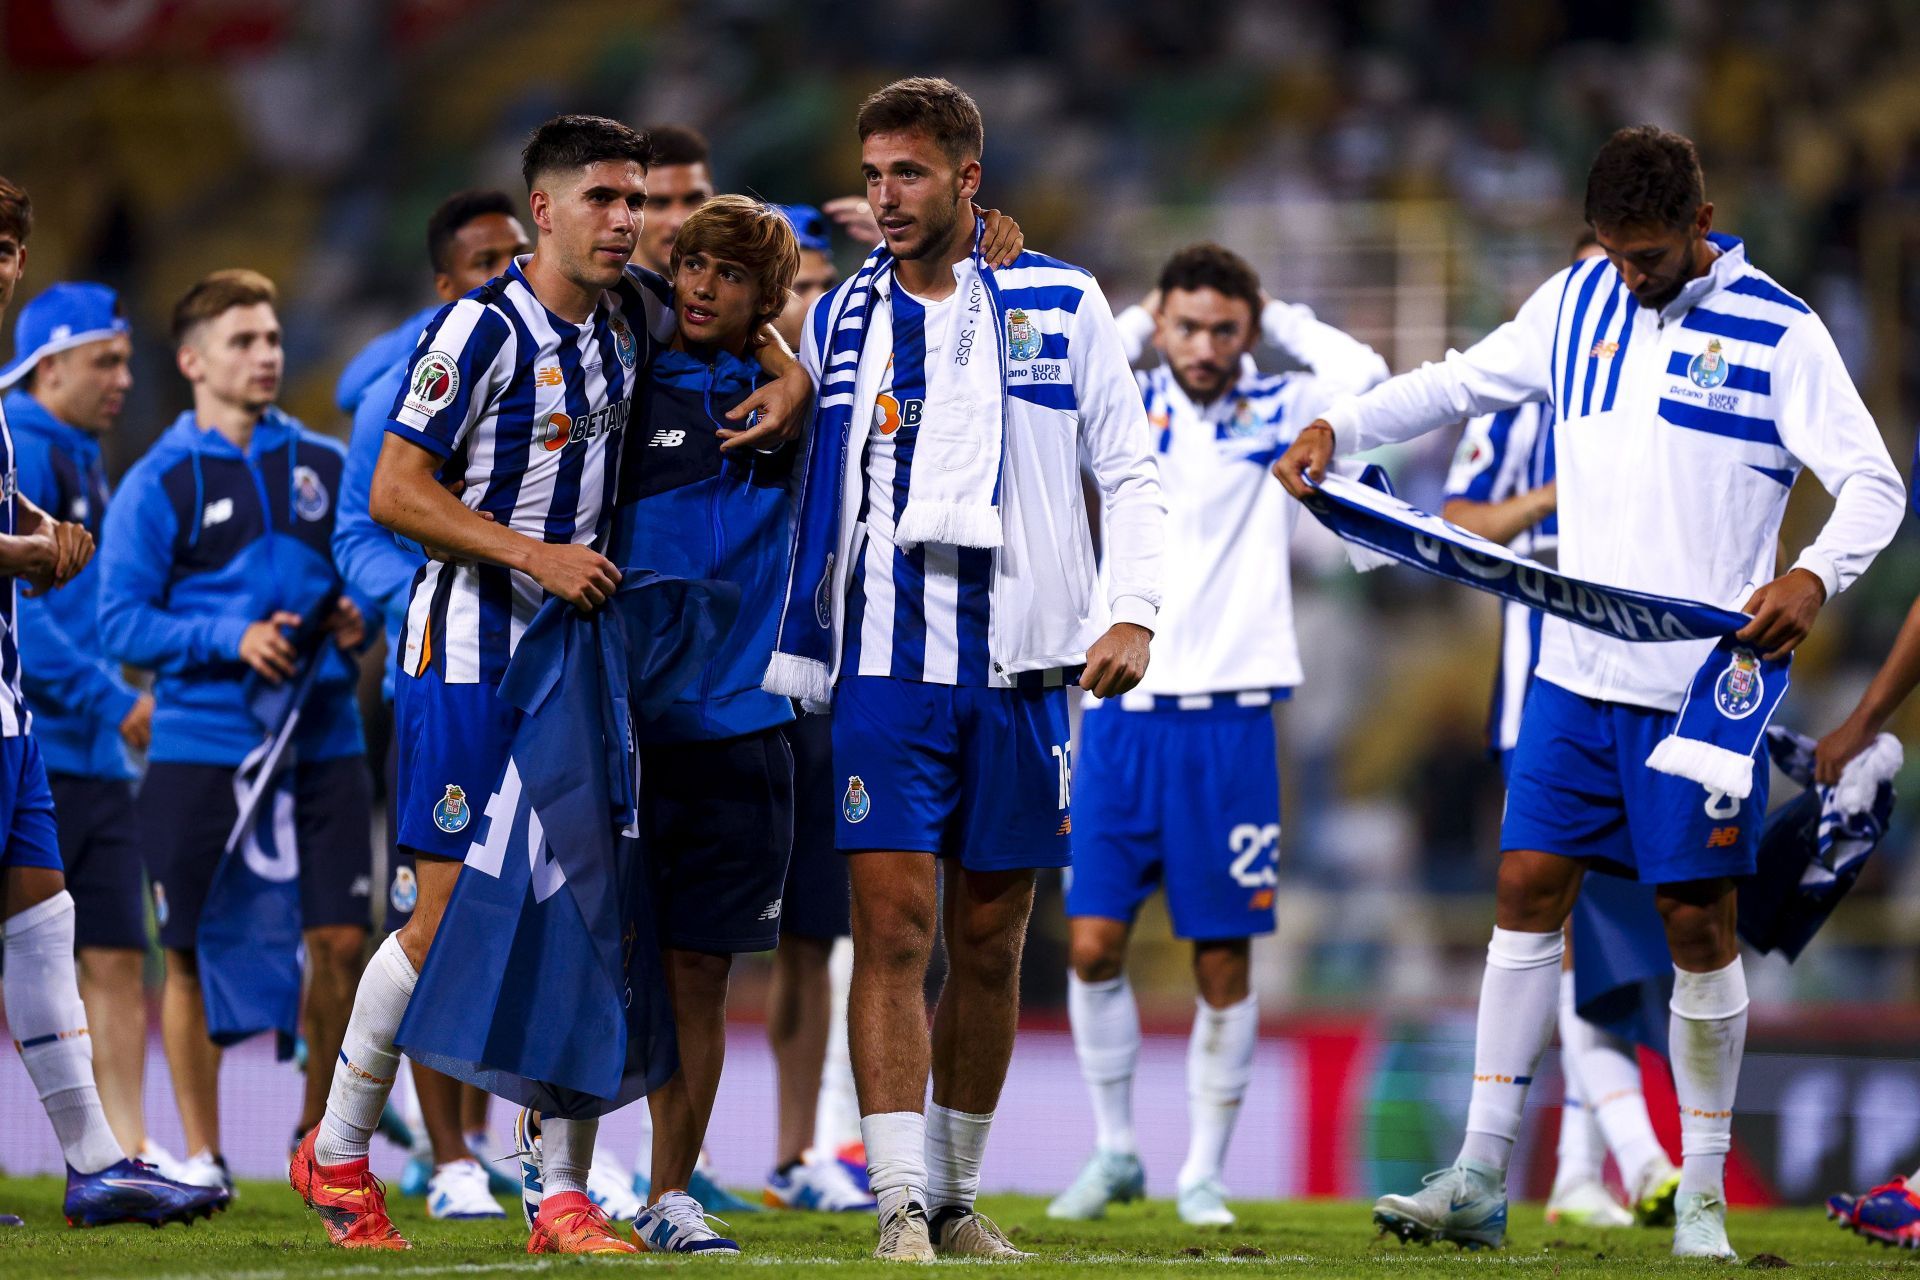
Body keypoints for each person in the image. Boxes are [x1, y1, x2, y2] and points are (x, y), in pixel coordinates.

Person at [1274, 125, 1906, 1260]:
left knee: (1695, 922)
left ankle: (1703, 1194)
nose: (1627, 272)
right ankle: (1477, 1175)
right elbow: (1459, 380)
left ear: (1702, 228)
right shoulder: (1577, 298)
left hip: (1703, 687)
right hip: (1574, 663)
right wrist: (1344, 424)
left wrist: (1815, 572)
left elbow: (1874, 482)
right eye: (1612, 250)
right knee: (1525, 887)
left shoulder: (1782, 331)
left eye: (1648, 254)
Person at [290, 113, 812, 1255]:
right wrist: (534, 555)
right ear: (545, 208)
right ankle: (335, 1150)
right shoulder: (475, 331)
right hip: (470, 656)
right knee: (438, 921)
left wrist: (790, 369)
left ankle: (559, 1193)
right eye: (606, 200)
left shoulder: (626, 321)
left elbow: (750, 322)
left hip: (579, 666)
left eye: (639, 201)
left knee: (589, 913)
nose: (630, 220)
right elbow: (391, 489)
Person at [764, 77, 1166, 1262]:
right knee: (892, 932)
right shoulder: (842, 318)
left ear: (968, 179)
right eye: (874, 172)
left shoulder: (1062, 300)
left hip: (1027, 668)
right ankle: (895, 1200)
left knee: (992, 941)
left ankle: (952, 1192)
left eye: (910, 174)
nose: (885, 196)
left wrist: (1132, 611)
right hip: (886, 668)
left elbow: (1129, 470)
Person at [1049, 242, 1386, 1227]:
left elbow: (1363, 379)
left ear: (1249, 329)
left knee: (1222, 953)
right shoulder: (1123, 400)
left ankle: (1202, 1169)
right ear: (1159, 323)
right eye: (1185, 325)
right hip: (1118, 709)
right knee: (1094, 941)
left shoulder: (1281, 412)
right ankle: (1114, 1149)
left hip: (1234, 715)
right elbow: (1059, 375)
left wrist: (1277, 315)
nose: (1202, 345)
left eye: (1223, 328)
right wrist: (1132, 317)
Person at [97, 268, 372, 1196]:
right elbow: (120, 623)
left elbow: (367, 575)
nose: (266, 356)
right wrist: (229, 636)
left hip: (323, 736)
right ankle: (206, 1152)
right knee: (188, 952)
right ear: (192, 361)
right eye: (244, 342)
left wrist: (356, 622)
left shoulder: (328, 468)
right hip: (202, 744)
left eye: (272, 339)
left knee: (342, 944)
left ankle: (314, 1140)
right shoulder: (158, 482)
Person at [0, 174, 229, 1229]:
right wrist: (31, 549)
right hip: (42, 710)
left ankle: (98, 1161)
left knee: (47, 923)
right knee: (56, 931)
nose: (3, 265)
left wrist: (36, 531)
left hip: (15, 716)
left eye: (10, 247)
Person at [1440, 230, 1682, 1231]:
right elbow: (1457, 517)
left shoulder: (1670, 394)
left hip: (1652, 692)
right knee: (1574, 939)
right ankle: (1632, 1153)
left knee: (1619, 950)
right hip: (1542, 695)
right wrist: (1557, 495)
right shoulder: (1527, 394)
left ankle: (1583, 1169)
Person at [333, 187, 531, 1222]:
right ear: (446, 283)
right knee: (439, 912)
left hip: (536, 665)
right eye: (486, 259)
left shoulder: (555, 348)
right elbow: (362, 528)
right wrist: (416, 601)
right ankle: (446, 1148)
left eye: (518, 253)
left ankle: (504, 1148)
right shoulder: (407, 387)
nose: (508, 270)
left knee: (525, 916)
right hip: (442, 665)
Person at [0, 282, 180, 1175]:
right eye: (105, 360)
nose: (123, 376)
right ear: (51, 365)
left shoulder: (75, 450)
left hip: (80, 751)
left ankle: (124, 1147)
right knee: (71, 945)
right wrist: (119, 701)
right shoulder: (24, 441)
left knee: (112, 949)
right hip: (44, 737)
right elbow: (29, 625)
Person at [761, 200, 869, 1213]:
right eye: (792, 287)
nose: (809, 305)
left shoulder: (847, 401)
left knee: (812, 937)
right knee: (680, 940)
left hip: (825, 696)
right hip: (730, 693)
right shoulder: (731, 393)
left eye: (820, 287)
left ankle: (799, 1150)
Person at [634, 124, 713, 277]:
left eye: (693, 200)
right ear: (630, 209)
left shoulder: (751, 297)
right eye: (659, 204)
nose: (679, 221)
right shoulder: (597, 299)